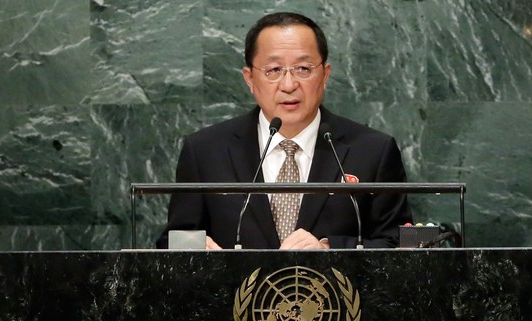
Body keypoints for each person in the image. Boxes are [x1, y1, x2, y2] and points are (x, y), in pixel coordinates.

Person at [156, 12, 411, 250]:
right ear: (249, 79)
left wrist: (329, 248)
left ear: (325, 75)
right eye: (274, 70)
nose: (289, 85)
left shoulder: (372, 151)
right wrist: (192, 246)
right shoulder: (205, 151)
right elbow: (171, 239)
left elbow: (400, 242)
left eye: (303, 69)